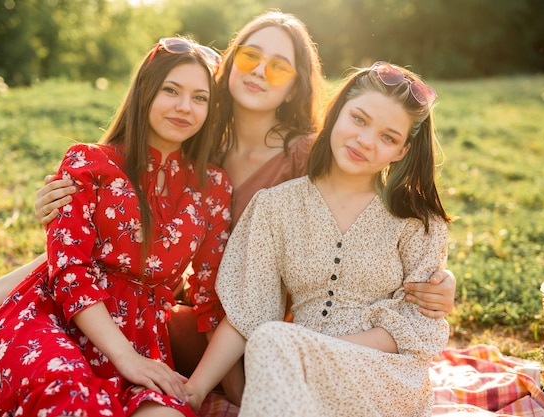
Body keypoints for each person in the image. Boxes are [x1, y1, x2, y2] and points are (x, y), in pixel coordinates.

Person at [0, 9, 456, 406]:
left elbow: (364, 221)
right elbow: (121, 216)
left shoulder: (310, 154)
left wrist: (441, 281)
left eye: (280, 68)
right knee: (85, 271)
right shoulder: (199, 136)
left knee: (112, 292)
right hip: (176, 293)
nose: (260, 73)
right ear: (228, 66)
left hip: (251, 316)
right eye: (250, 57)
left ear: (297, 86)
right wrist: (63, 203)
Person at [0, 36, 231, 417]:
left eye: (200, 98)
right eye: (172, 90)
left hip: (142, 340)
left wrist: (208, 388)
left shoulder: (213, 187)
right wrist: (125, 359)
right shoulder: (89, 162)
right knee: (71, 403)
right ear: (145, 92)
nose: (185, 107)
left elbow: (212, 297)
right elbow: (69, 271)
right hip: (54, 319)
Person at [184, 61, 452, 417]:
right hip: (295, 372)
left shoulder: (417, 221)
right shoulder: (275, 206)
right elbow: (247, 314)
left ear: (401, 152)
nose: (365, 141)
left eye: (388, 137)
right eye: (359, 119)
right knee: (269, 343)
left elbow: (419, 324)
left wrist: (310, 350)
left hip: (387, 377)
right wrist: (194, 389)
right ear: (337, 113)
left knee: (272, 341)